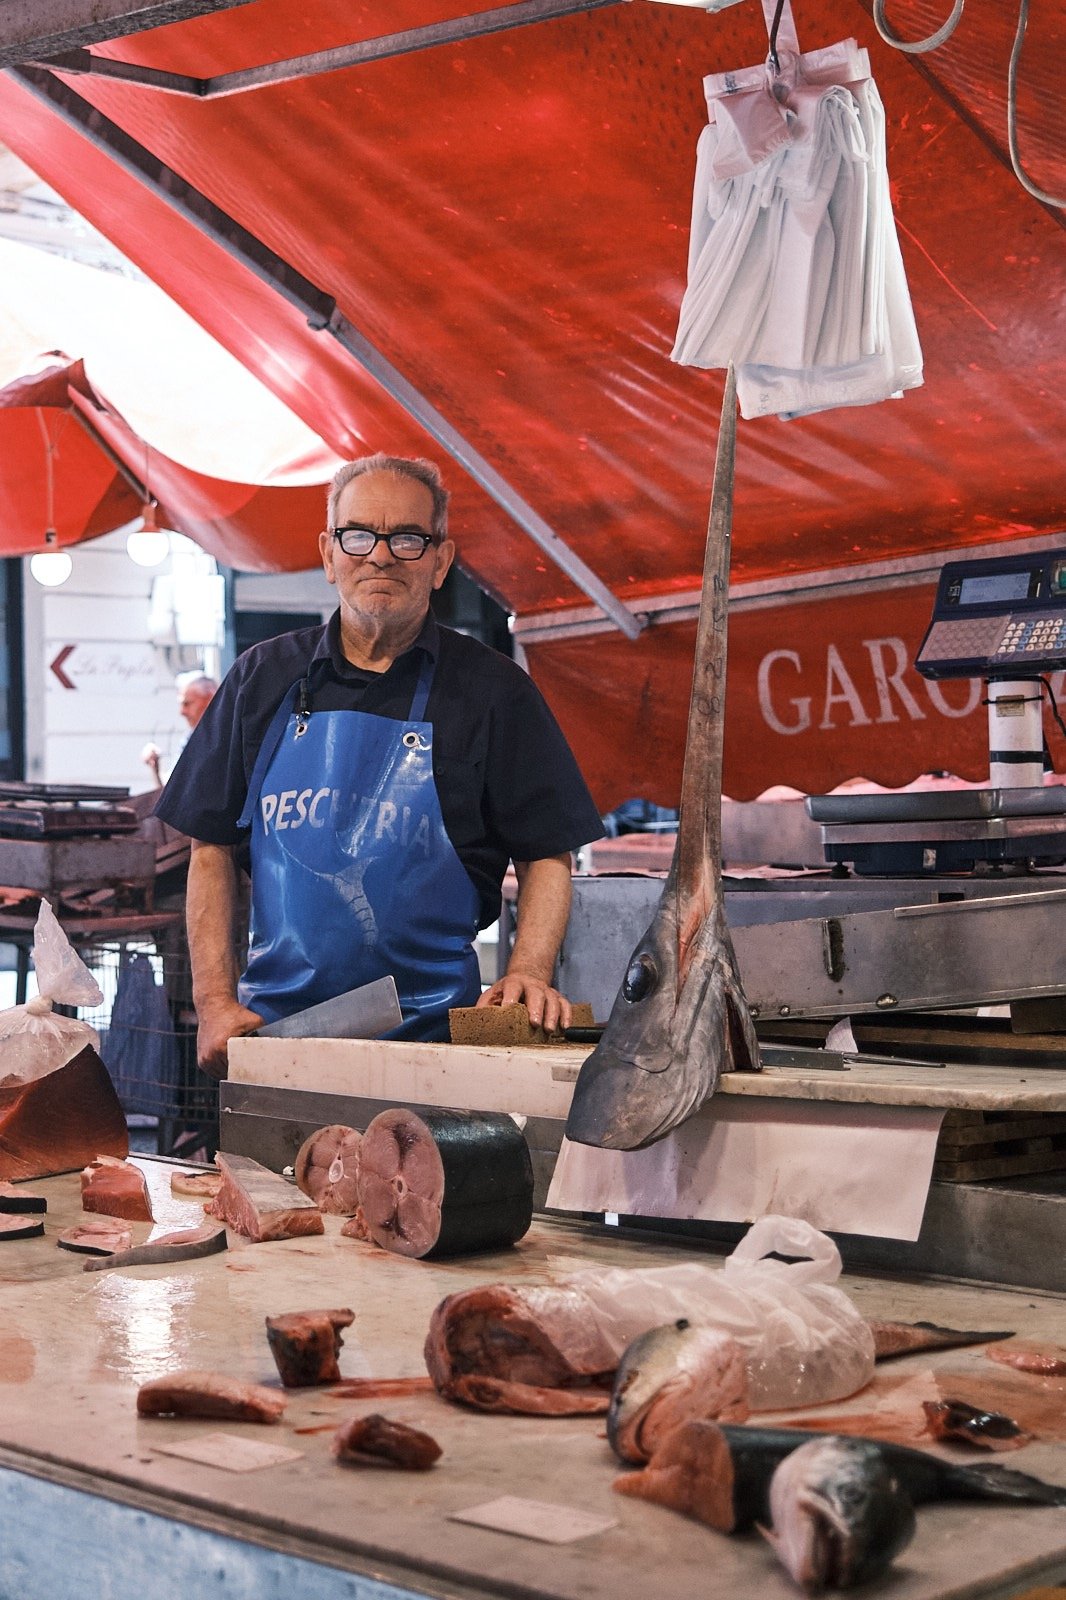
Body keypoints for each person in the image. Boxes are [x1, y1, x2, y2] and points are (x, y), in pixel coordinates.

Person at [155, 453, 604, 1076]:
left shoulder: (494, 691)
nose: (381, 555)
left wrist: (526, 971)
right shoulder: (263, 678)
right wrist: (214, 1003)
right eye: (358, 535)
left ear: (441, 561)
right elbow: (210, 850)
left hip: (438, 1045)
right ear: (329, 552)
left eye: (408, 539)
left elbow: (548, 852)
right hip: (273, 1038)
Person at [142, 671, 219, 787]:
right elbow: (170, 793)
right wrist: (155, 768)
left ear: (210, 699)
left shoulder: (227, 736)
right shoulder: (190, 739)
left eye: (187, 704)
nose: (182, 712)